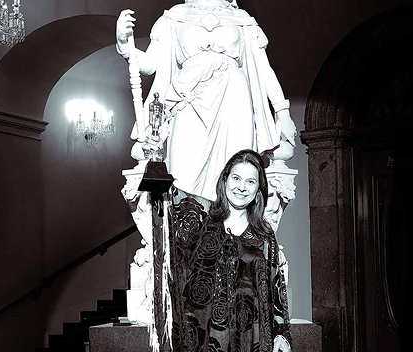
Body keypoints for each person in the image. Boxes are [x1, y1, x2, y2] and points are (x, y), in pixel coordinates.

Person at [144, 150, 295, 352]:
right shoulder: (203, 224)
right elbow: (173, 208)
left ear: (259, 189)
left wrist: (282, 334)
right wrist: (157, 171)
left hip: (255, 344)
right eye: (236, 178)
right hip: (211, 345)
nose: (242, 187)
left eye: (250, 181)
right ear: (225, 180)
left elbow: (275, 288)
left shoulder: (264, 234)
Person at [116, 0, 297, 202]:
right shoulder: (176, 15)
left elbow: (263, 69)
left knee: (235, 169)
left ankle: (231, 221)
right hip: (187, 99)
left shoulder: (241, 18)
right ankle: (185, 219)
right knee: (183, 169)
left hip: (234, 98)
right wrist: (124, 44)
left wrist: (282, 112)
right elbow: (149, 65)